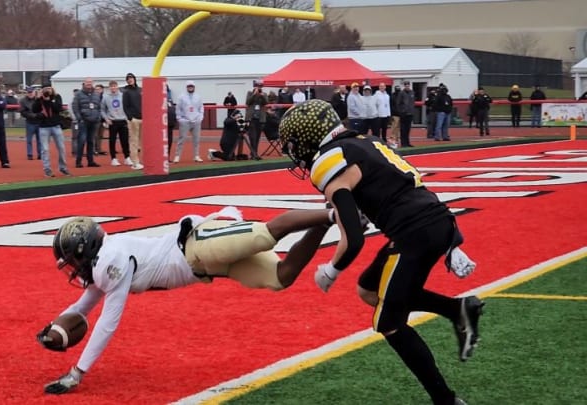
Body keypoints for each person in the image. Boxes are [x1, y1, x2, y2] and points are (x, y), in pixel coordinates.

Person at [278, 99, 483, 405]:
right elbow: (409, 190)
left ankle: (446, 400)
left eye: (294, 144)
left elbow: (354, 238)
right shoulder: (367, 141)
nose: (294, 152)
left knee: (388, 322)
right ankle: (457, 310)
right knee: (369, 289)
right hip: (433, 221)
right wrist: (450, 238)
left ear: (309, 137)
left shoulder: (328, 160)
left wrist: (331, 269)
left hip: (413, 233)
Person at [36, 206, 334, 394]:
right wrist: (54, 328)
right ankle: (323, 224)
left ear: (85, 248)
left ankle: (332, 212)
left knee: (267, 235)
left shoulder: (109, 261)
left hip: (198, 244)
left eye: (72, 261)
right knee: (282, 276)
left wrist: (77, 373)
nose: (74, 270)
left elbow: (107, 323)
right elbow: (84, 305)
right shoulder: (106, 261)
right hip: (208, 266)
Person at [32, 84, 71, 178]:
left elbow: (58, 109)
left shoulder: (57, 97)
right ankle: (47, 170)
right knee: (45, 149)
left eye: (49, 89)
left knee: (61, 148)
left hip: (56, 126)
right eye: (45, 89)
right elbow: (34, 110)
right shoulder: (39, 99)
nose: (47, 91)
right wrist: (39, 99)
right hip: (44, 127)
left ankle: (63, 167)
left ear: (52, 88)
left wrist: (49, 101)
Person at [174, 81, 204, 163]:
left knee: (196, 139)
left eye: (192, 86)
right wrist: (180, 118)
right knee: (181, 139)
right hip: (185, 121)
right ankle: (177, 156)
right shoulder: (181, 97)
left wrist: (200, 117)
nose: (190, 87)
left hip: (196, 120)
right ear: (186, 87)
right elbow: (178, 108)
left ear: (194, 87)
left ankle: (196, 156)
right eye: (189, 86)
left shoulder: (198, 97)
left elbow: (201, 108)